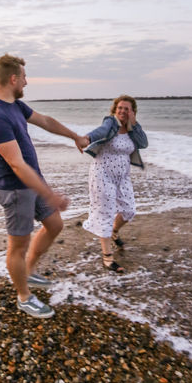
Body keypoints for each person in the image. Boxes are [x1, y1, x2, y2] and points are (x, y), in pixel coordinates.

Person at [0, 54, 89, 318]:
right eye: (24, 78)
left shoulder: (14, 106)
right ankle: (24, 296)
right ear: (13, 79)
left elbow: (46, 121)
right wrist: (49, 194)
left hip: (32, 183)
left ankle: (28, 272)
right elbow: (16, 165)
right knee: (17, 246)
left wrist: (74, 136)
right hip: (16, 189)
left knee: (55, 224)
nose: (27, 83)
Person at [82, 95, 148, 273]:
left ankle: (114, 232)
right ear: (114, 109)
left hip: (122, 177)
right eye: (119, 108)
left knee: (129, 209)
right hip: (102, 173)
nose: (122, 111)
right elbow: (100, 132)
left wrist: (134, 124)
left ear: (132, 112)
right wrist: (87, 138)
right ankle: (107, 257)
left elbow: (143, 143)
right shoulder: (110, 123)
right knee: (105, 212)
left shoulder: (133, 130)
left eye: (126, 109)